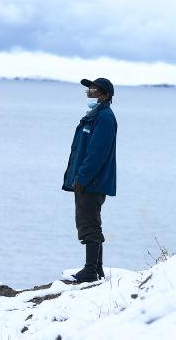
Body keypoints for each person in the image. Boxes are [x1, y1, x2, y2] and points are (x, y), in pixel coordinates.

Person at [62, 77, 117, 282]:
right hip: (88, 180)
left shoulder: (104, 118)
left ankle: (90, 270)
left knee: (88, 224)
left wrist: (82, 177)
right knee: (91, 222)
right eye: (88, 90)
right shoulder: (95, 116)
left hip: (92, 181)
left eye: (94, 90)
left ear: (105, 95)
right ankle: (97, 268)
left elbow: (97, 153)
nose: (89, 93)